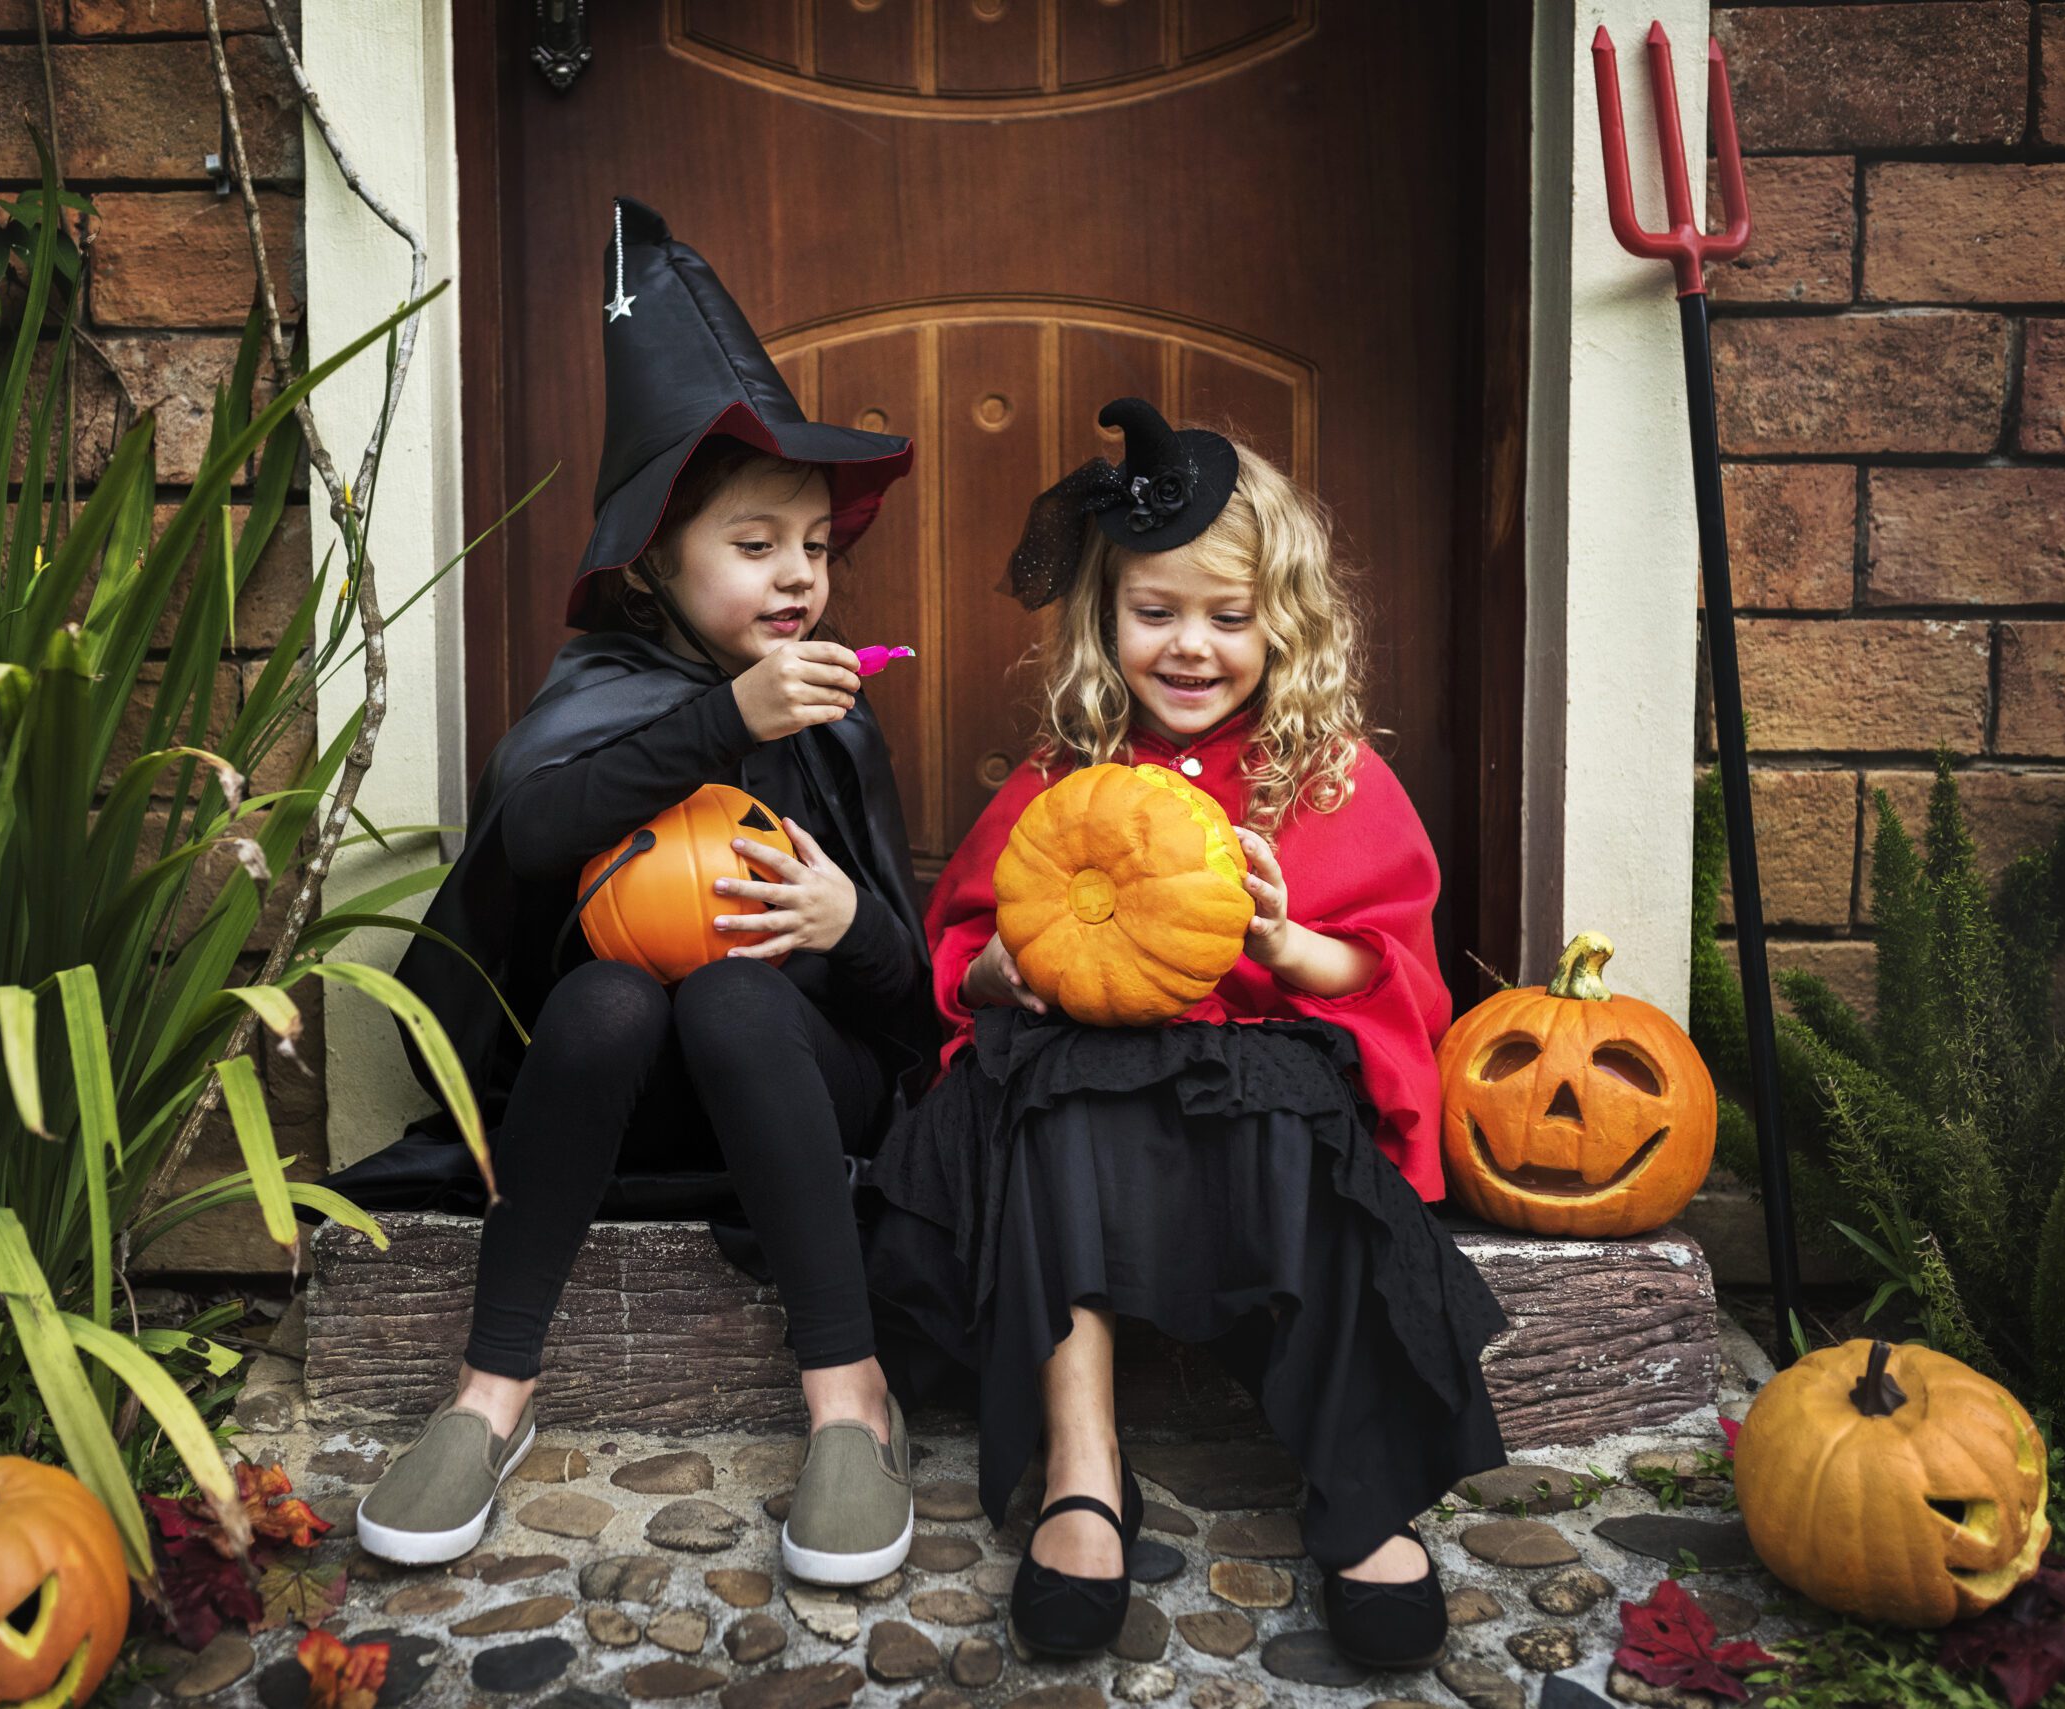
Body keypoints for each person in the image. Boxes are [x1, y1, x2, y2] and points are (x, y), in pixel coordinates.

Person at [331, 199, 934, 1583]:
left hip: (792, 1077)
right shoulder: (604, 695)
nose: (798, 574)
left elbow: (905, 1007)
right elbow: (536, 830)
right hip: (616, 1099)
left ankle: (850, 1397)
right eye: (754, 542)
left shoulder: (839, 721)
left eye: (817, 547)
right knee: (607, 993)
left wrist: (852, 928)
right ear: (657, 557)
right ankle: (494, 1391)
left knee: (731, 990)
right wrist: (728, 720)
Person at [866, 399, 1509, 1664]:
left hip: (1262, 1072)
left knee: (1293, 1117)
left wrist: (1279, 943)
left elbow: (1390, 969)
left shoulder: (1324, 774)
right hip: (1092, 1080)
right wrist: (998, 970)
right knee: (1049, 1098)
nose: (1192, 647)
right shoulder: (1066, 775)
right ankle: (1082, 1462)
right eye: (1156, 613)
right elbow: (967, 952)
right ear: (1106, 618)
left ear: (1287, 620)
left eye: (1228, 616)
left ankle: (1356, 1476)